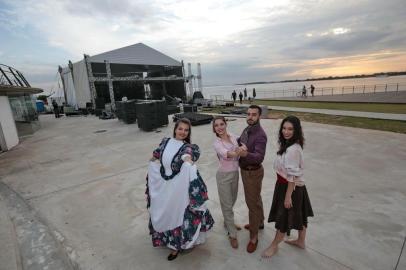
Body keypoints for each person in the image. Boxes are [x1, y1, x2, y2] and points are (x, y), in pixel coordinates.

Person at [146, 118, 214, 261]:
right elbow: (157, 153)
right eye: (180, 128)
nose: (183, 132)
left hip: (179, 187)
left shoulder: (187, 147)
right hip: (164, 185)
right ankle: (167, 240)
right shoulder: (165, 142)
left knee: (177, 214)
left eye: (186, 130)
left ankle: (176, 246)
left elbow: (187, 155)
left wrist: (188, 161)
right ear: (175, 129)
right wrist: (151, 163)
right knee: (164, 212)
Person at [261, 116, 314, 258]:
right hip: (294, 186)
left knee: (283, 219)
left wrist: (288, 196)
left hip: (290, 188)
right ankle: (301, 241)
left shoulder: (292, 150)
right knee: (300, 215)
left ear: (296, 130)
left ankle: (274, 245)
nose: (286, 132)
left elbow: (292, 176)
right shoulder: (289, 144)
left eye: (290, 129)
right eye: (284, 128)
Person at [237, 105, 267, 253]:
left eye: (253, 114)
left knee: (252, 205)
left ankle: (254, 237)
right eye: (248, 114)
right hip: (246, 171)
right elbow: (241, 141)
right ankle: (259, 223)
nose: (250, 117)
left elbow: (259, 157)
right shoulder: (247, 129)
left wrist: (244, 154)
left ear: (259, 116)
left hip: (252, 172)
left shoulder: (260, 135)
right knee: (256, 199)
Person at [212, 116, 242, 249]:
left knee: (233, 199)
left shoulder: (234, 136)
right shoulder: (217, 143)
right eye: (216, 125)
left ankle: (227, 221)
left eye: (221, 124)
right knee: (227, 205)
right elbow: (227, 154)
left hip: (235, 174)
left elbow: (243, 145)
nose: (219, 127)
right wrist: (239, 151)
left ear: (225, 124)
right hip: (223, 176)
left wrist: (241, 149)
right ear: (214, 128)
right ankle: (232, 234)